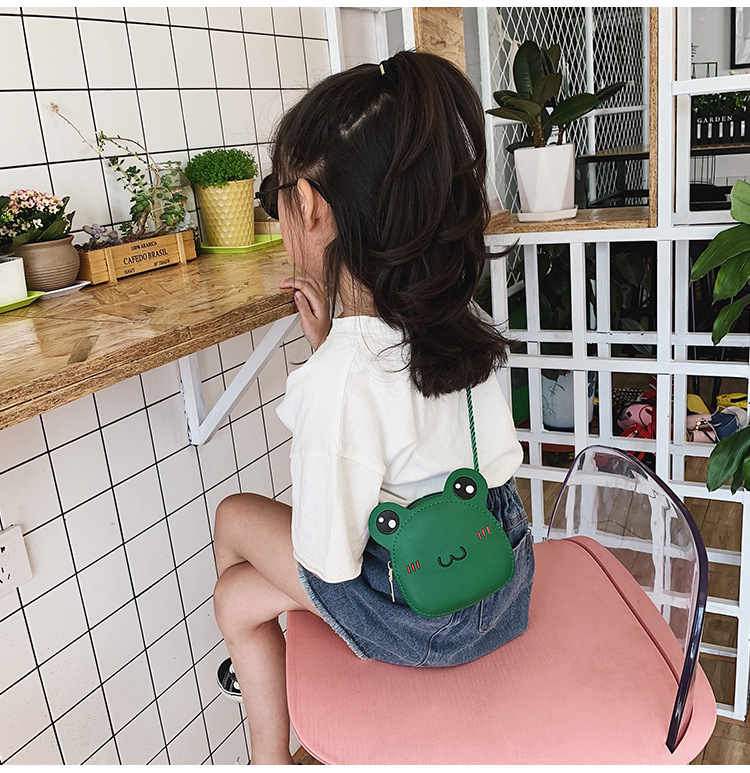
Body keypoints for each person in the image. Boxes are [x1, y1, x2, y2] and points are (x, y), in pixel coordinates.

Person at [212, 50, 534, 765]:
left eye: (273, 197)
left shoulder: (340, 379)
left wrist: (328, 362)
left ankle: (277, 743)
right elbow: (435, 434)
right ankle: (289, 704)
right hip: (502, 582)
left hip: (422, 620)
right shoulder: (457, 320)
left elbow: (329, 558)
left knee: (232, 541)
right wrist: (332, 344)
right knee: (243, 589)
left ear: (311, 205)